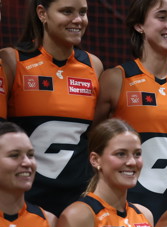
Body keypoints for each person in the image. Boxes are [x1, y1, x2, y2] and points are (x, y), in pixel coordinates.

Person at [94, 0, 167, 220]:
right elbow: (92, 141)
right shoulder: (116, 79)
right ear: (139, 25)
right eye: (162, 17)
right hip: (124, 210)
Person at [0, 0, 103, 216]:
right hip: (25, 198)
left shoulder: (94, 66)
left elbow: (96, 135)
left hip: (78, 200)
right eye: (67, 11)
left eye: (83, 12)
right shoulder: (12, 60)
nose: (78, 19)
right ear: (42, 13)